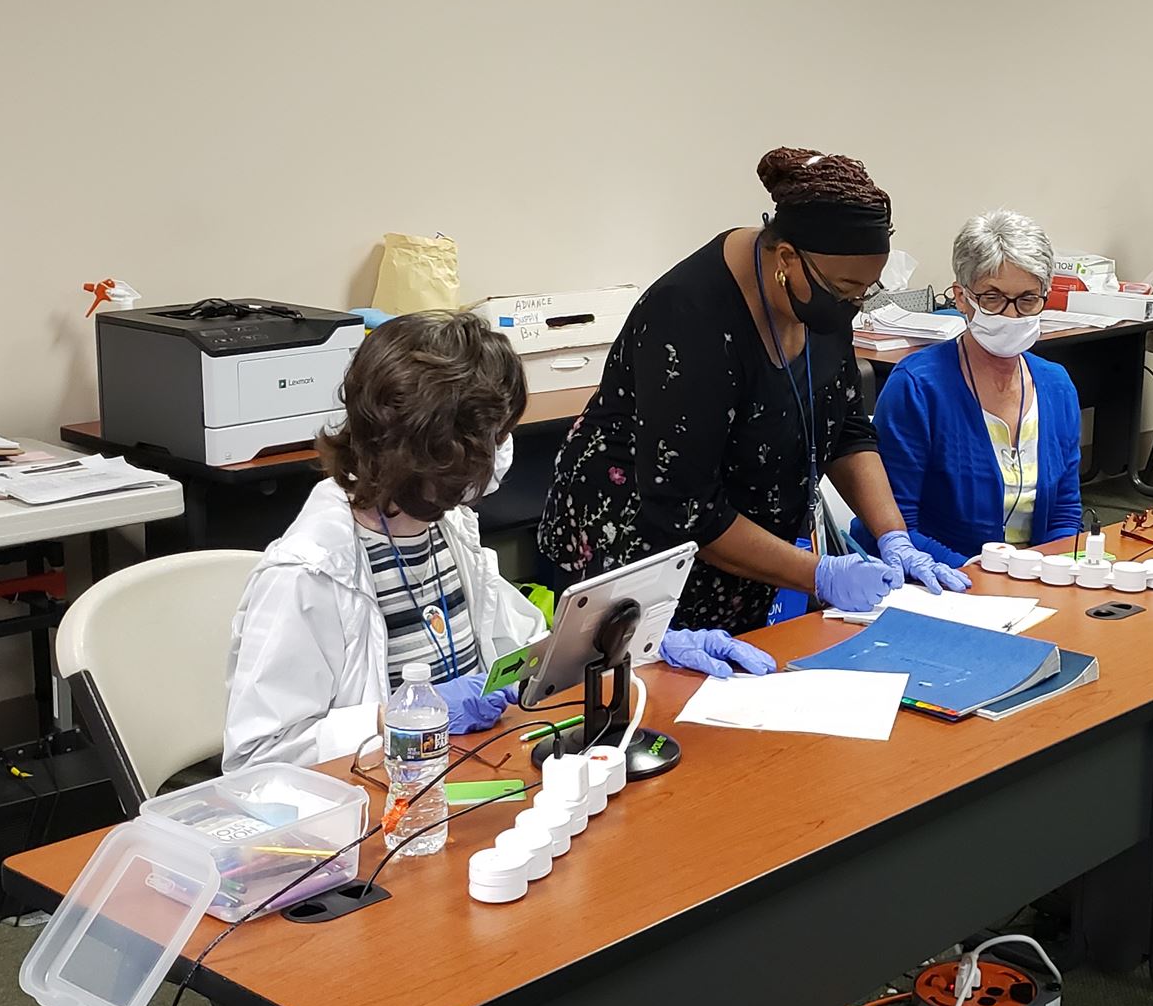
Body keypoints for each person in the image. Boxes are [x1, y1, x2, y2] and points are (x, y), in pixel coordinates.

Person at [222, 311, 769, 772]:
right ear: (436, 455)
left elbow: (525, 649)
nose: (504, 451)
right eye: (494, 438)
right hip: (385, 809)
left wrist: (633, 641)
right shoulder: (306, 575)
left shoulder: (447, 527)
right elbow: (256, 761)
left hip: (469, 772)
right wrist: (396, 720)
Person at [537, 147, 968, 635]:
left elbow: (846, 427)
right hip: (641, 544)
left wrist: (895, 538)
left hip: (742, 545)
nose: (852, 304)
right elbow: (686, 508)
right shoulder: (690, 317)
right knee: (654, 695)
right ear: (787, 257)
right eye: (846, 290)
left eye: (864, 292)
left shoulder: (821, 294)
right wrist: (819, 575)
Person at [873, 210, 1084, 564]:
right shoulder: (918, 387)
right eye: (993, 298)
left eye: (1028, 299)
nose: (1012, 315)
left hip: (1034, 579)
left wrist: (1055, 571)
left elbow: (1065, 513)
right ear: (961, 297)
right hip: (946, 577)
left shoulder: (1056, 386)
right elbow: (895, 525)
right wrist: (974, 575)